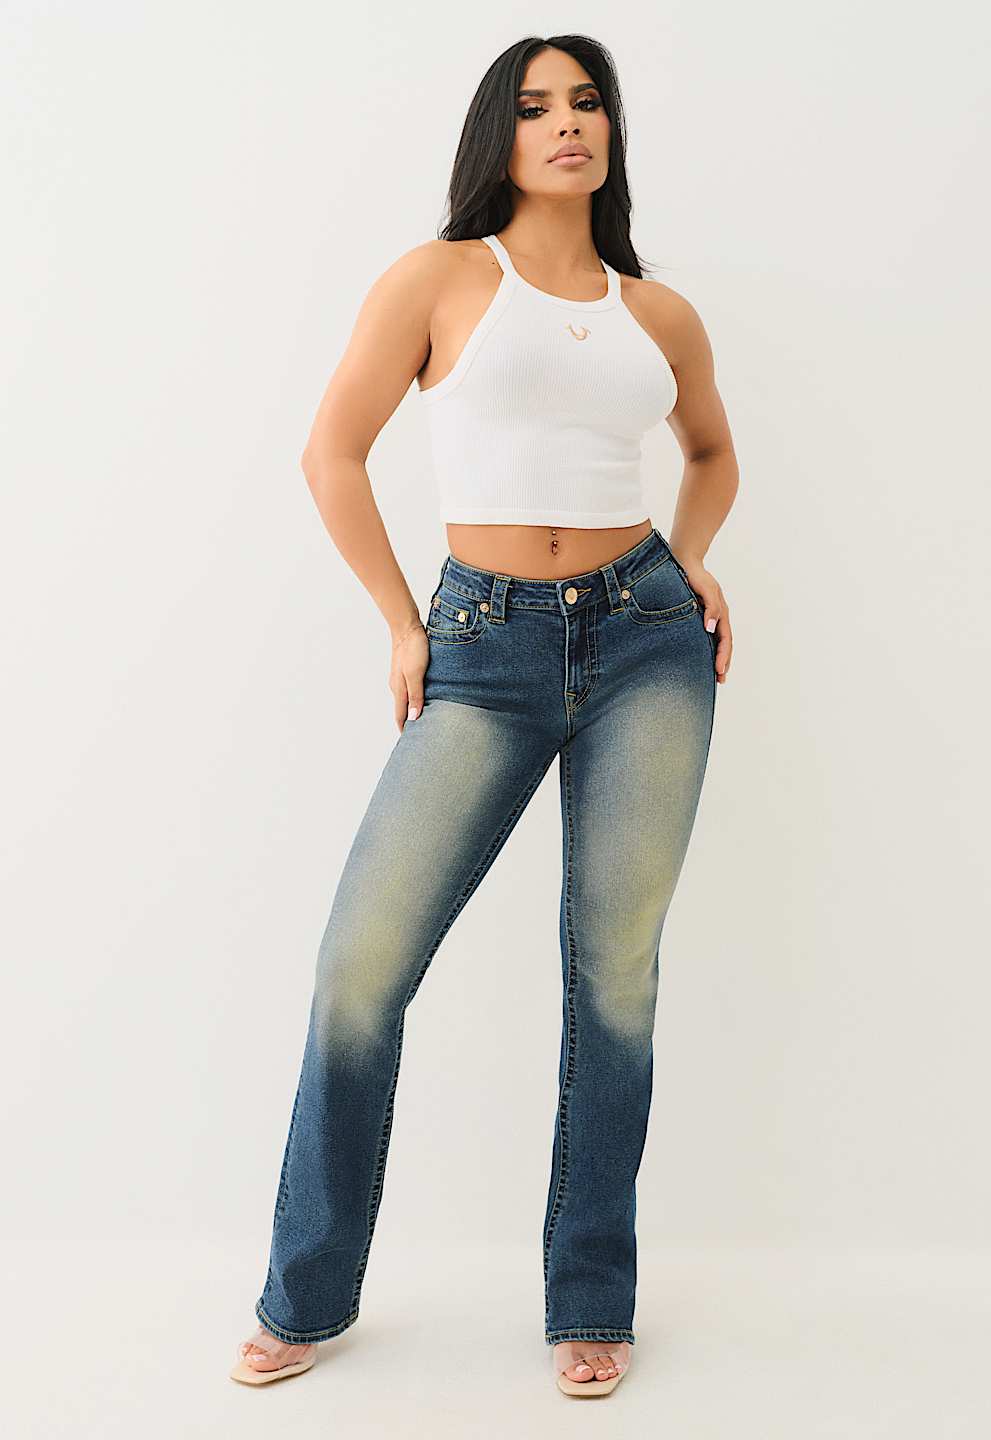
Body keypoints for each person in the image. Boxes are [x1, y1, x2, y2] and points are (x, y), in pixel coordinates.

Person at [231, 32, 737, 1398]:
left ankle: (591, 1297)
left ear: (610, 131)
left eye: (586, 102)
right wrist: (404, 622)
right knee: (360, 967)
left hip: (648, 642)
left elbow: (710, 452)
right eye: (534, 106)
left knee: (614, 973)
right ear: (496, 138)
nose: (566, 123)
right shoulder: (443, 277)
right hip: (481, 642)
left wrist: (692, 560)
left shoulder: (659, 312)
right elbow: (332, 454)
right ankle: (306, 1292)